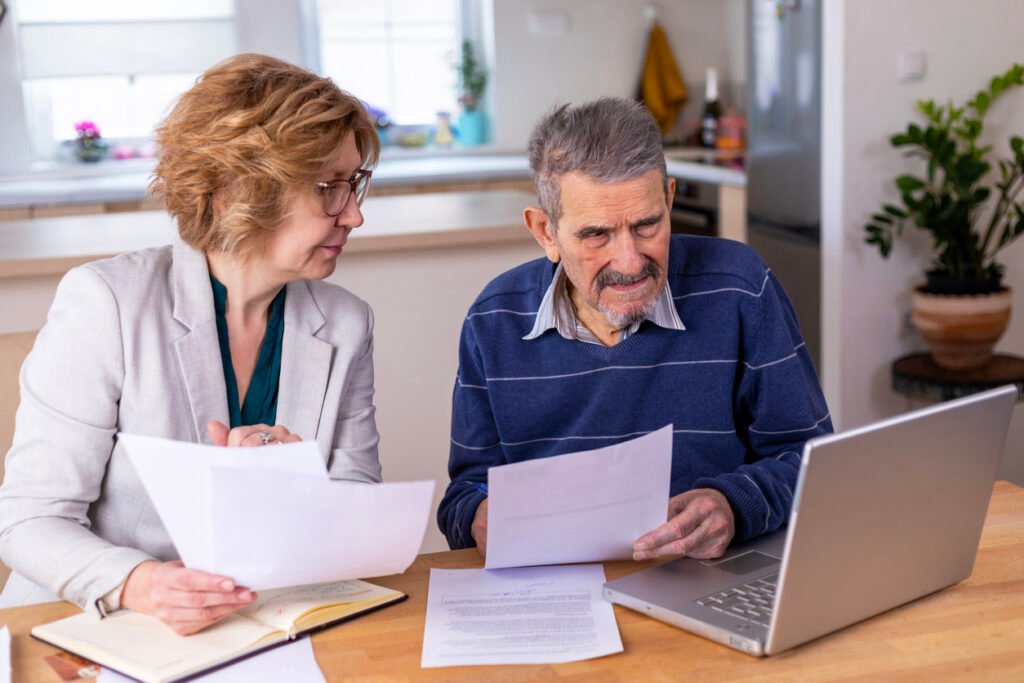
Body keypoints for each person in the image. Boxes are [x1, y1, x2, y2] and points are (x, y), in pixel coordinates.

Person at [0, 54, 382, 635]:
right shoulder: (107, 303)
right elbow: (28, 519)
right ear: (233, 192)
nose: (354, 215)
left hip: (258, 622)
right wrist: (140, 584)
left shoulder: (346, 323)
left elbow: (357, 509)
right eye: (328, 188)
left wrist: (292, 489)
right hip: (94, 623)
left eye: (354, 184)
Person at [438, 97, 831, 561]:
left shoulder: (740, 288)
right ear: (545, 232)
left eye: (647, 226)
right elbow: (464, 495)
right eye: (596, 235)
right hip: (555, 593)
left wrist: (732, 505)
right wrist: (479, 513)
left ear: (668, 198)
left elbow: (813, 462)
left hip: (706, 577)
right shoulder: (492, 321)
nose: (629, 262)